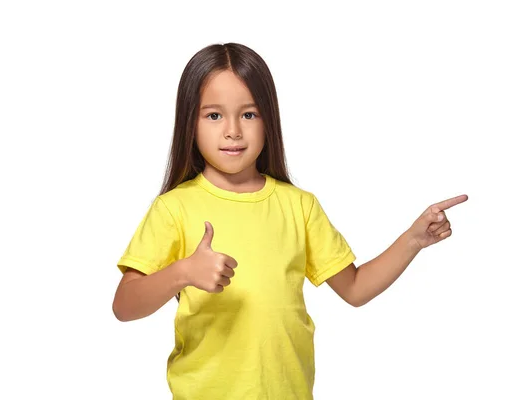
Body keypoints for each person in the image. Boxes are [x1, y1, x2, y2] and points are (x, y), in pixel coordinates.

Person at [112, 42, 468, 400]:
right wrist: (184, 272)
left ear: (270, 119)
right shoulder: (174, 208)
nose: (233, 130)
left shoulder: (299, 206)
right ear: (190, 121)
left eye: (249, 114)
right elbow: (124, 305)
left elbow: (355, 289)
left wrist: (413, 240)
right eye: (214, 115)